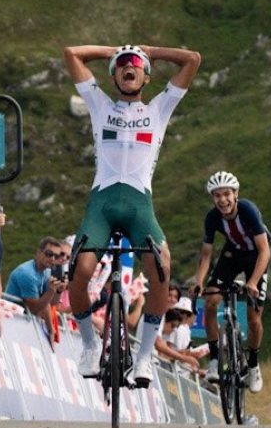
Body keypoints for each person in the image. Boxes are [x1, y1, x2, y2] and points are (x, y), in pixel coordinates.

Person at [63, 43, 201, 384]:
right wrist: (116, 49)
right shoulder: (98, 104)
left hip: (140, 204)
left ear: (147, 75)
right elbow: (72, 54)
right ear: (113, 75)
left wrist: (147, 49)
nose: (130, 66)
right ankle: (89, 346)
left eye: (136, 63)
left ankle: (143, 359)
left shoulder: (160, 108)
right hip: (102, 205)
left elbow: (192, 60)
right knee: (79, 270)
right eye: (122, 63)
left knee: (161, 271)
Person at [192, 171, 271, 393]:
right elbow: (206, 254)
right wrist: (199, 281)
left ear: (235, 194)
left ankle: (253, 364)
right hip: (232, 255)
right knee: (209, 302)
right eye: (217, 195)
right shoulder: (212, 218)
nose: (222, 200)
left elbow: (265, 251)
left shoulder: (248, 210)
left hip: (256, 258)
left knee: (254, 318)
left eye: (226, 194)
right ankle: (215, 360)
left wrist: (253, 282)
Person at [5, 237, 66, 345]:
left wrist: (58, 291)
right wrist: (51, 291)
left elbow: (51, 303)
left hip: (24, 321)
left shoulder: (47, 272)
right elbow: (35, 309)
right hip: (10, 319)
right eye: (49, 254)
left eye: (56, 256)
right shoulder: (27, 273)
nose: (52, 258)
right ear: (38, 253)